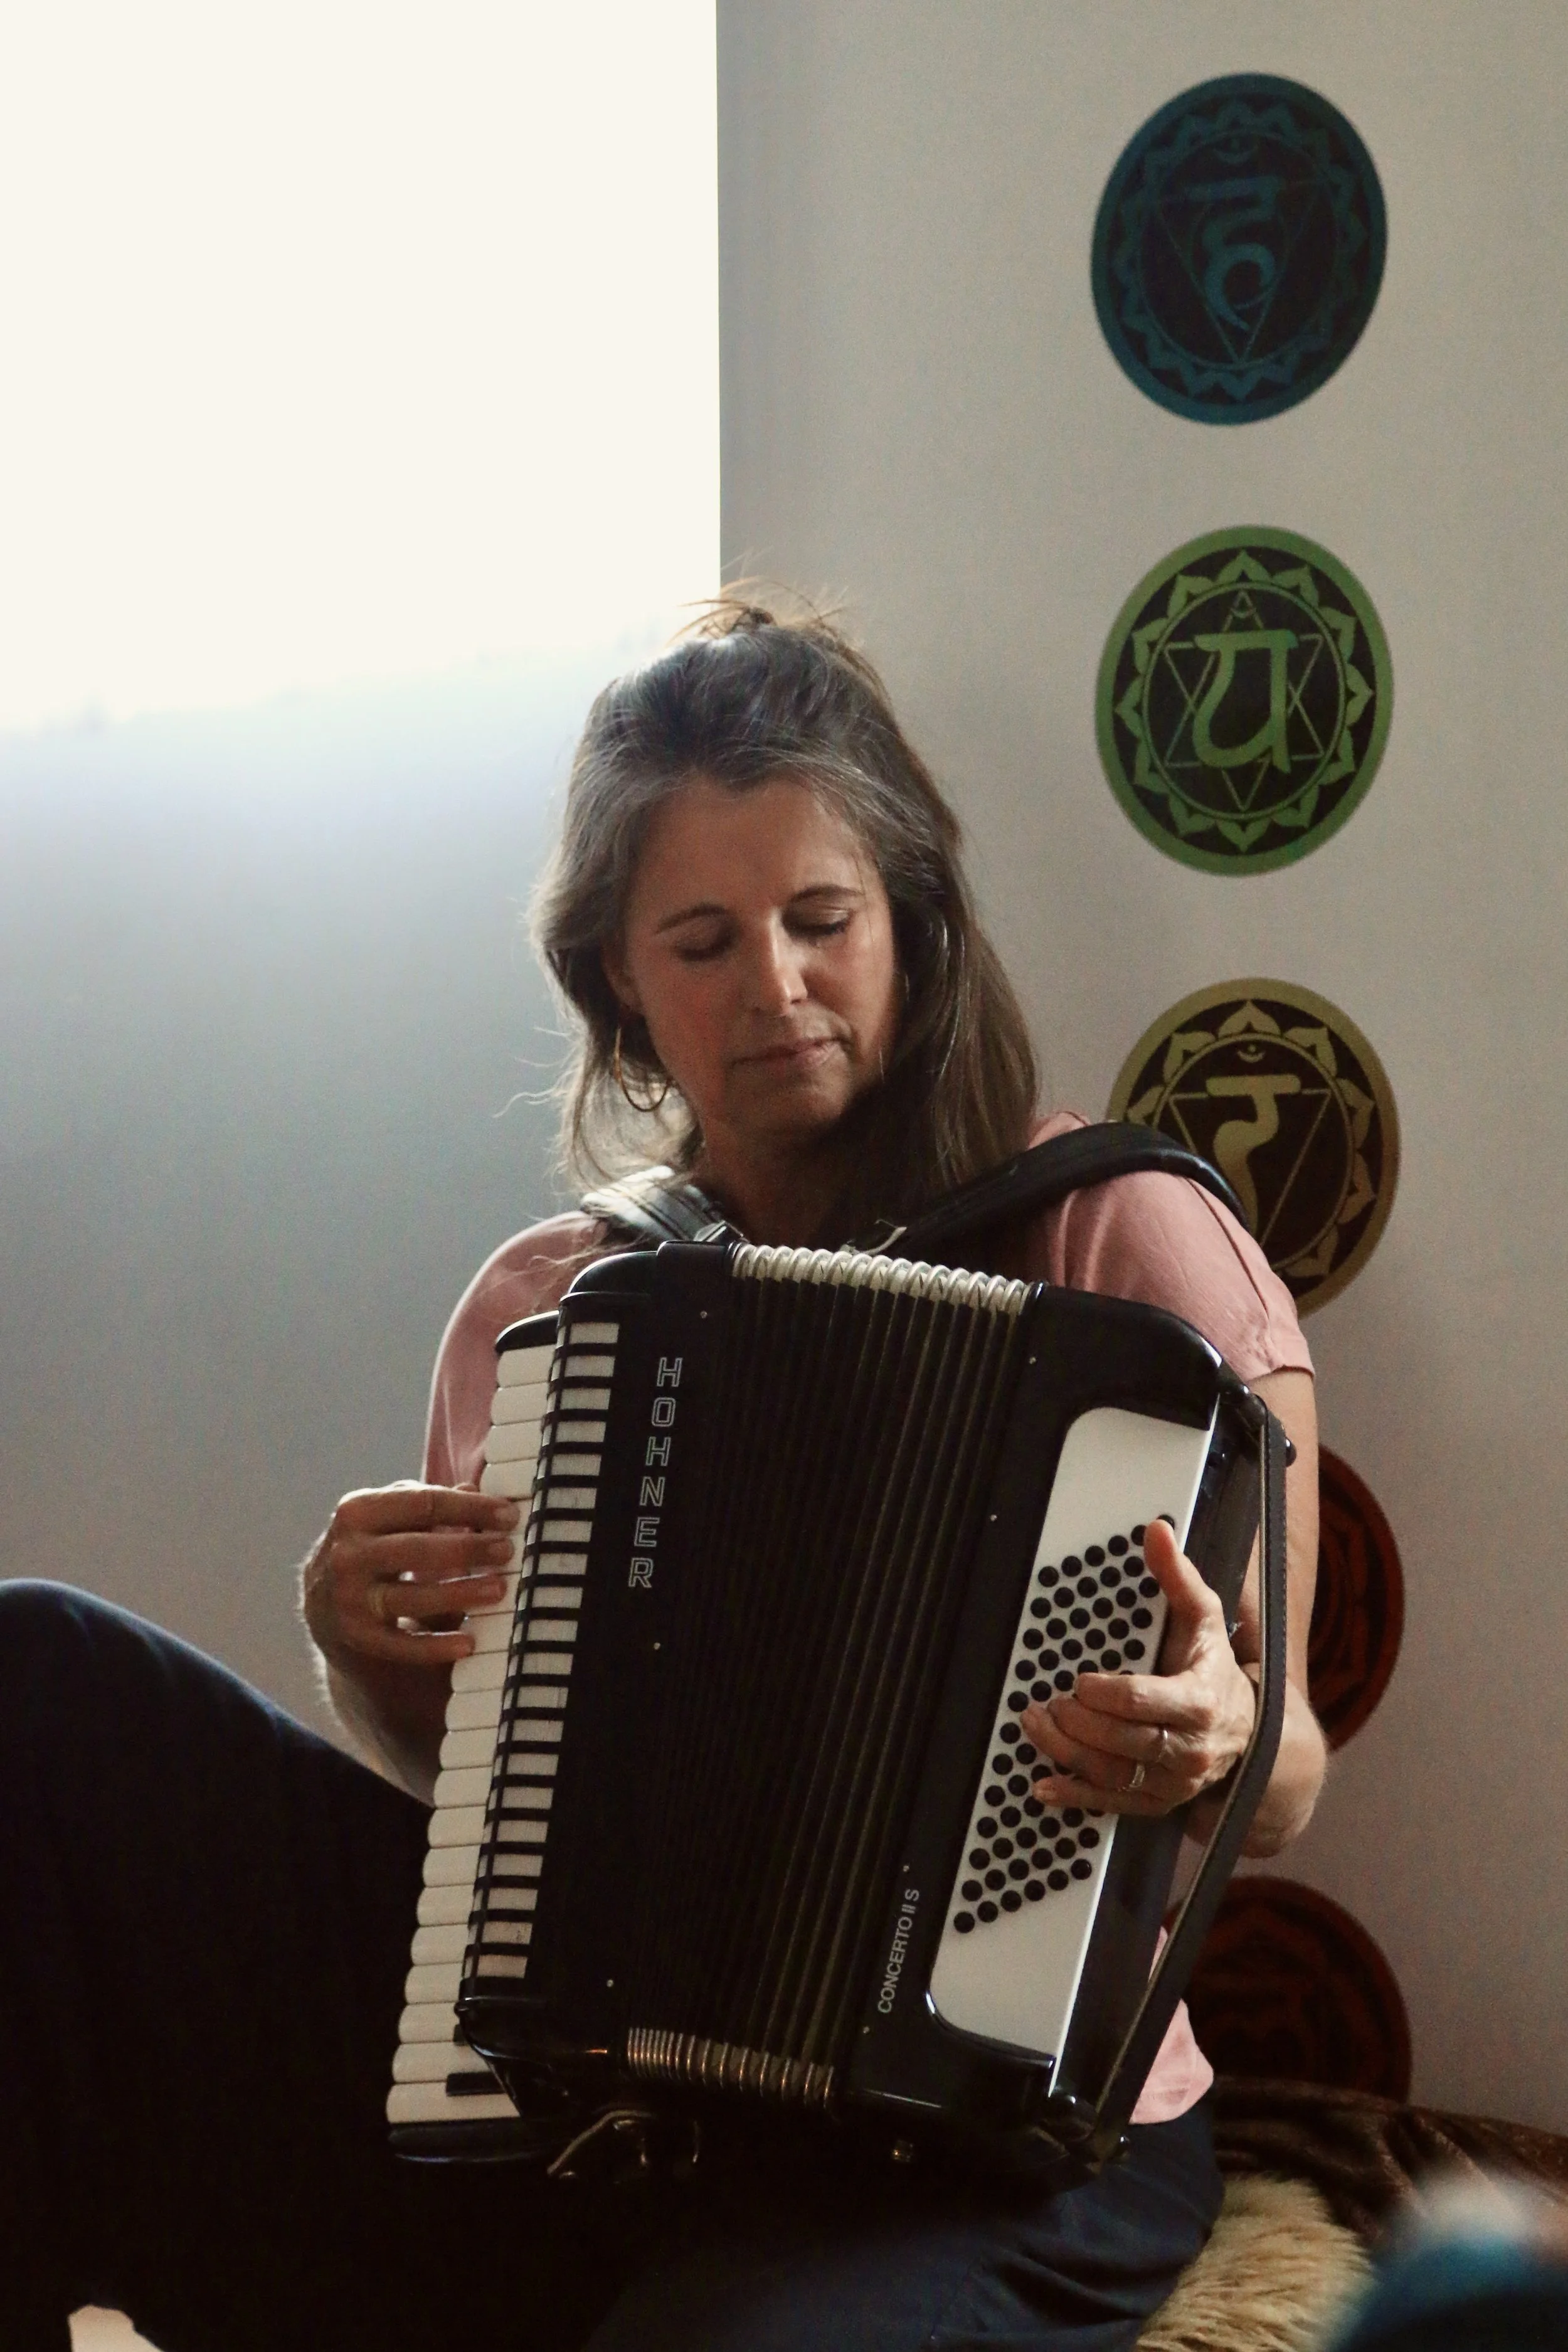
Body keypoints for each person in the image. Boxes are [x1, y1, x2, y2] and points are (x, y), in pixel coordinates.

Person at [0, 601, 1324, 2352]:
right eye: (699, 939)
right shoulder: (555, 1300)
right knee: (42, 1682)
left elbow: (1287, 1759)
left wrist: (1216, 1730)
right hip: (600, 2103)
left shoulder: (1121, 1232)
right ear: (616, 980)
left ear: (911, 921)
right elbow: (490, 1799)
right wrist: (370, 1654)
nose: (771, 983)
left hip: (998, 2139)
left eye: (820, 919)